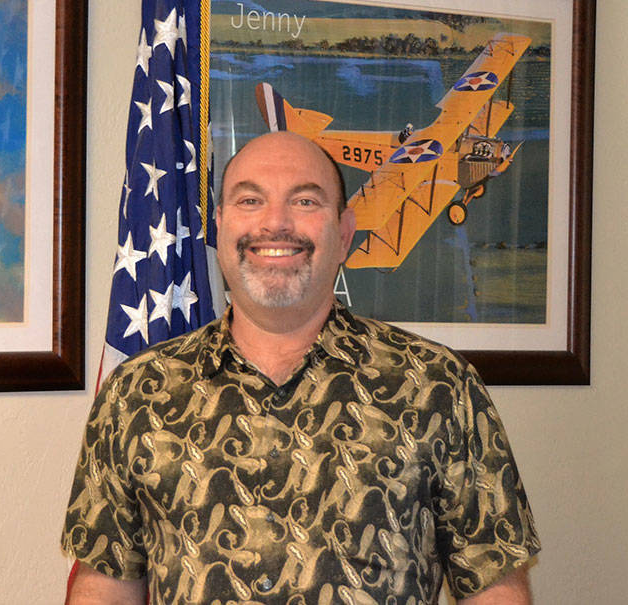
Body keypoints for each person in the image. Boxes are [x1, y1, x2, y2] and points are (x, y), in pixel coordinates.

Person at [62, 131, 539, 604]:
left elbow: (494, 585)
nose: (275, 223)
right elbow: (104, 585)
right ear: (221, 226)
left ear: (344, 234)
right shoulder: (138, 392)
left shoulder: (438, 385)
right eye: (250, 200)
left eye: (306, 202)